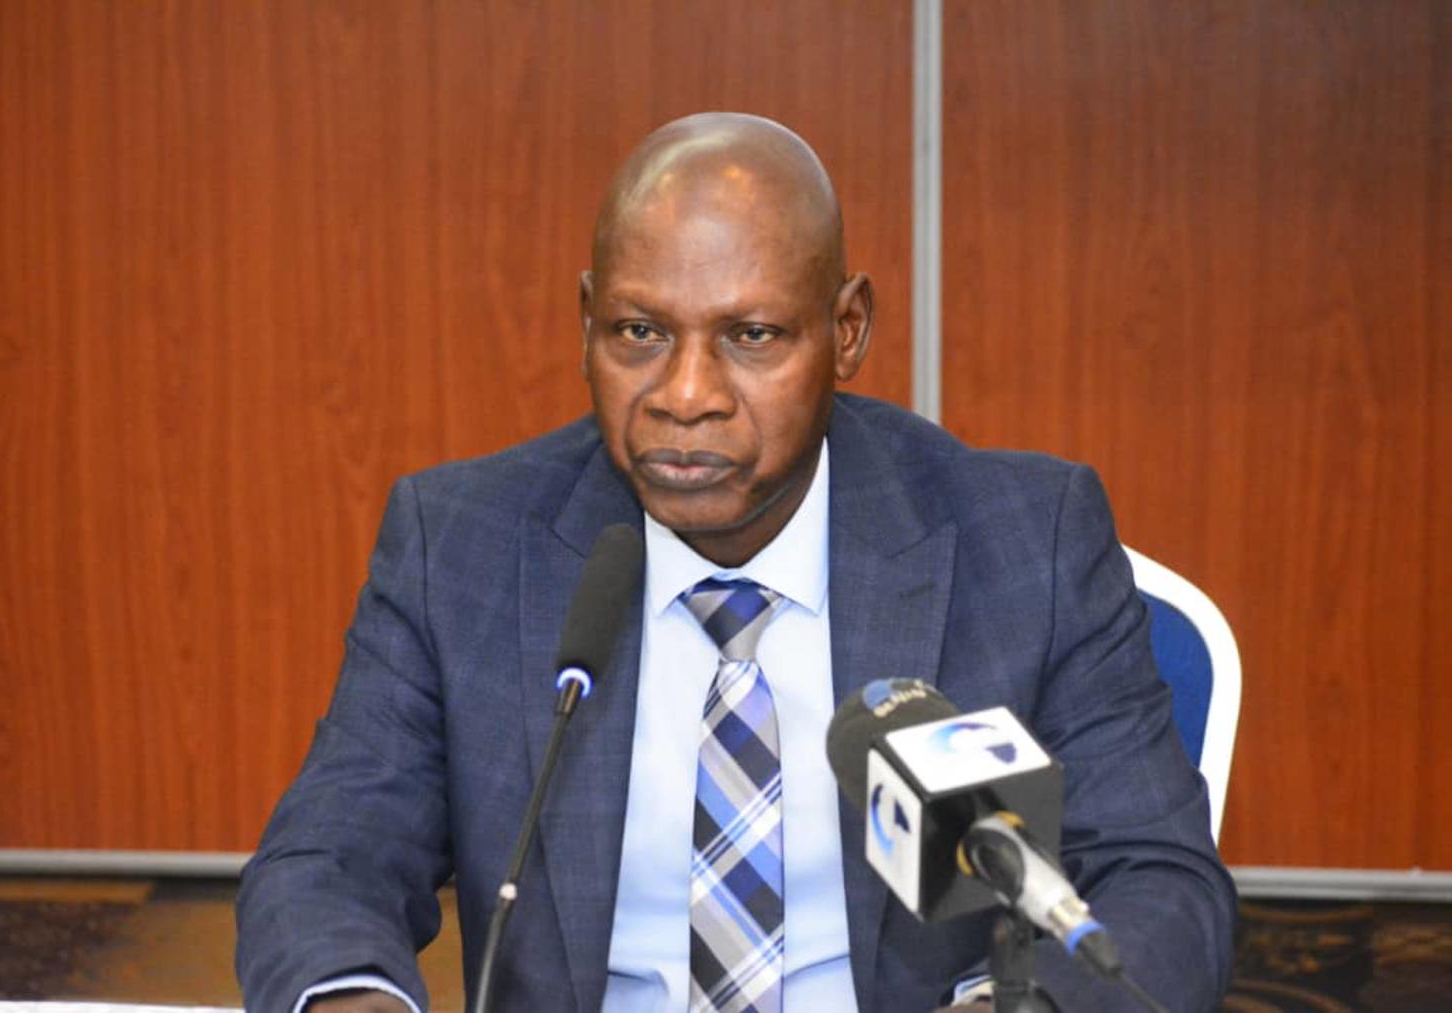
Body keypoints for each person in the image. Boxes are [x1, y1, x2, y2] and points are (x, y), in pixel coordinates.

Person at [236, 112, 1236, 1012]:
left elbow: (1158, 880)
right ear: (585, 321)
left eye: (751, 336)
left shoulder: (1021, 543)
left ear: (846, 330)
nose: (685, 394)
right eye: (638, 332)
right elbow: (325, 861)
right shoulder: (463, 546)